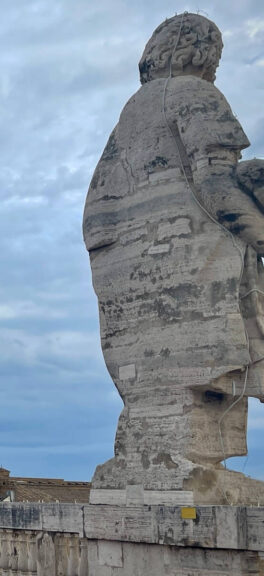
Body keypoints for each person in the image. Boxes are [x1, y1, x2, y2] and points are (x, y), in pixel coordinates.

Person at [83, 13, 264, 502]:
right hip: (190, 259)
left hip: (127, 277)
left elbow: (99, 220)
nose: (215, 67)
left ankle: (155, 455)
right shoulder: (193, 94)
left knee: (166, 382)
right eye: (215, 56)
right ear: (200, 52)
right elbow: (215, 182)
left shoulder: (132, 112)